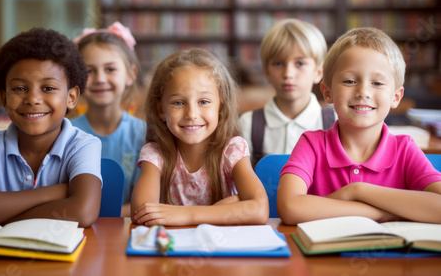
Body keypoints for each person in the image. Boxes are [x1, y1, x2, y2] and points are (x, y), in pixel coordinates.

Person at [277, 27, 441, 225]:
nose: (363, 91)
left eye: (378, 83)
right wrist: (382, 213)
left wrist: (357, 190)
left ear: (396, 97)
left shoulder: (404, 149)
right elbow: (289, 208)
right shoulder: (311, 144)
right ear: (327, 92)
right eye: (349, 81)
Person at [0, 28, 102, 227]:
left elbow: (83, 212)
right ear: (5, 98)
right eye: (19, 89)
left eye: (48, 88)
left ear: (71, 97)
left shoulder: (83, 145)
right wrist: (55, 192)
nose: (33, 99)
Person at [131, 48, 269, 226]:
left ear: (220, 107)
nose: (192, 114)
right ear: (161, 110)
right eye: (178, 103)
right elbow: (141, 213)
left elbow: (259, 209)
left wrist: (186, 215)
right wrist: (230, 206)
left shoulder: (232, 149)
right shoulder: (155, 152)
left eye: (203, 102)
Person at [71, 22, 146, 217]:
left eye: (110, 69)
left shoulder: (144, 135)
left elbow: (145, 204)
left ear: (131, 74)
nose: (100, 79)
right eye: (89, 71)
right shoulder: (65, 133)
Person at [239, 19, 333, 166]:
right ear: (267, 72)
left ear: (318, 72)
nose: (288, 73)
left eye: (300, 63)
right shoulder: (248, 124)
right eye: (278, 64)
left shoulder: (336, 122)